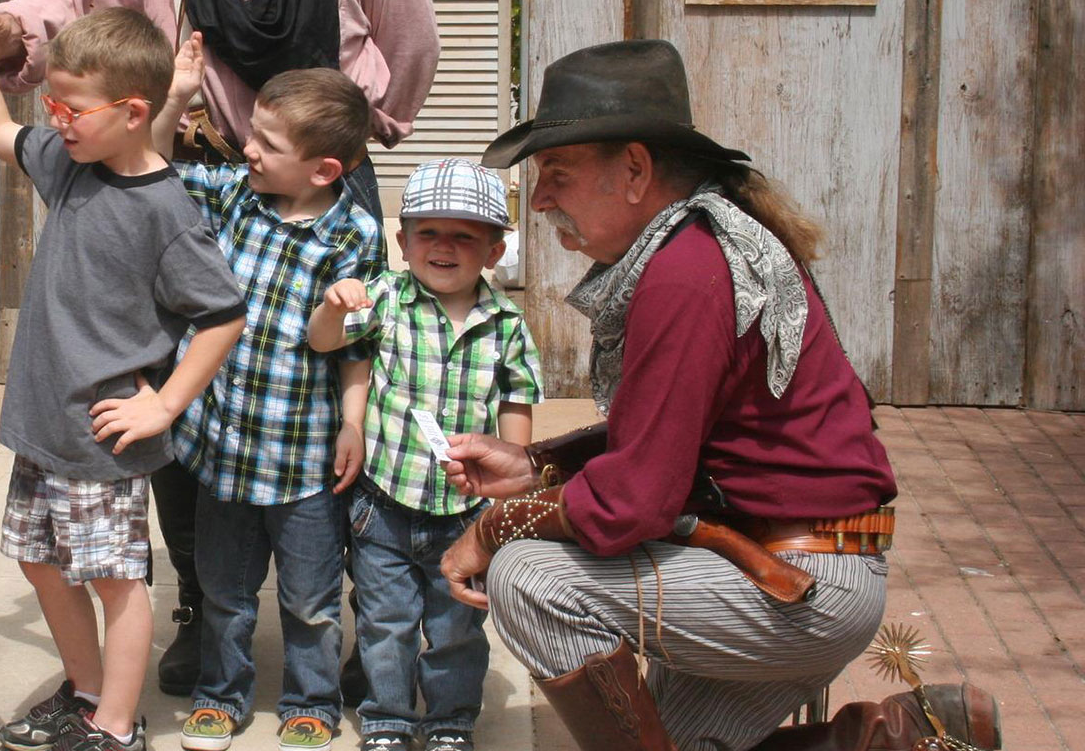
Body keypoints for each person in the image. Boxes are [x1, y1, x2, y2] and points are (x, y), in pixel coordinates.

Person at [0, 0, 440, 693]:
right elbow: (59, 1)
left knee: (328, 392)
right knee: (180, 406)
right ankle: (208, 607)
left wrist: (348, 143)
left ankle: (327, 612)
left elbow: (410, 48)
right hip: (188, 185)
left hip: (316, 191)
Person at [436, 40, 1000, 751]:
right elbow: (672, 438)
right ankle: (892, 736)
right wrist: (538, 466)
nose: (542, 198)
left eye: (558, 172)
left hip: (800, 584)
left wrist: (492, 528)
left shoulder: (686, 270)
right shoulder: (699, 247)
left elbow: (636, 500)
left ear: (636, 170)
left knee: (530, 576)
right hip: (781, 565)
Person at [0, 0, 246, 751]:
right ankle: (83, 692)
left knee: (117, 582)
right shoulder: (70, 163)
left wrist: (165, 403)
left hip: (105, 437)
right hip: (44, 425)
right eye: (52, 106)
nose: (56, 121)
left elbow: (222, 317)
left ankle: (116, 724)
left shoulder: (167, 211)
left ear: (133, 112)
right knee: (42, 566)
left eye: (71, 109)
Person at [145, 37, 382, 751]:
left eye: (267, 142)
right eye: (252, 131)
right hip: (225, 449)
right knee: (223, 592)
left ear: (323, 169)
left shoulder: (356, 235)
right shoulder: (235, 199)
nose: (248, 148)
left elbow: (345, 346)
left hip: (302, 461)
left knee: (310, 600)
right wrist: (177, 97)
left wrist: (353, 420)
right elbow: (152, 171)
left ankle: (311, 701)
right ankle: (221, 695)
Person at [307, 158, 540, 751]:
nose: (444, 246)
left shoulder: (507, 322)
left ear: (493, 250)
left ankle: (449, 720)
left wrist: (513, 482)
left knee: (457, 625)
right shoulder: (383, 298)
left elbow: (516, 402)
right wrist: (333, 308)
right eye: (429, 232)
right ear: (402, 240)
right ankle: (386, 717)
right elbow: (325, 342)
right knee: (386, 623)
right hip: (385, 501)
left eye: (465, 235)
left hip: (466, 512)